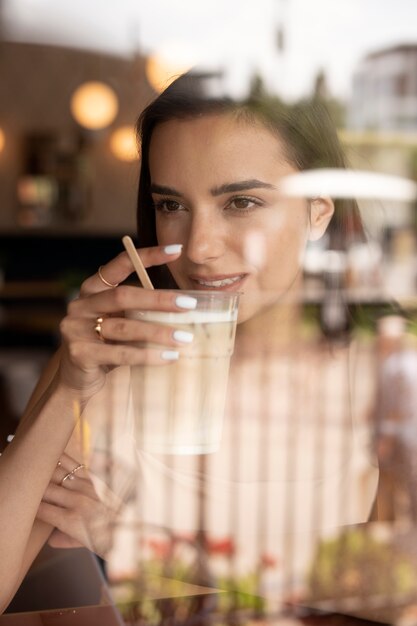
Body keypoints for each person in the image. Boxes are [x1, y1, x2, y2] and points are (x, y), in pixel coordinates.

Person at [1, 72, 377, 615]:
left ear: (319, 211)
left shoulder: (383, 372)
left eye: (241, 203)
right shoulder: (111, 372)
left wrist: (151, 548)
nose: (196, 248)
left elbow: (396, 580)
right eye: (172, 206)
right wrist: (65, 389)